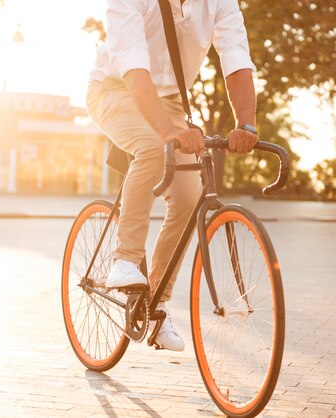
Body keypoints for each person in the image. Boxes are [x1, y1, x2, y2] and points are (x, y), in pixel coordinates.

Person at [86, 0, 259, 351]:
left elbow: (236, 57)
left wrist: (246, 122)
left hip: (171, 102)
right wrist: (165, 131)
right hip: (115, 90)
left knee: (188, 196)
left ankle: (156, 306)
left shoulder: (220, 3)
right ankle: (124, 260)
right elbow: (133, 67)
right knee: (151, 147)